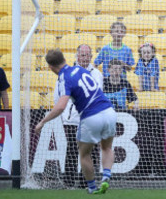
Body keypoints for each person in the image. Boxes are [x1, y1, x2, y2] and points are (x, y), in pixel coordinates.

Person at [35, 49, 116, 195]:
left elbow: (60, 106)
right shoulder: (79, 69)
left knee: (84, 153)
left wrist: (42, 122)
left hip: (91, 116)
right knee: (106, 148)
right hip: (109, 111)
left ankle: (91, 187)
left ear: (51, 67)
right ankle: (106, 176)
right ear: (64, 59)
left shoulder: (64, 78)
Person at [59, 44, 103, 188]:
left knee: (89, 151)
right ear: (77, 56)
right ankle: (69, 182)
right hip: (72, 120)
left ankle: (87, 182)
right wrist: (63, 114)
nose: (84, 57)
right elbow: (59, 95)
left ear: (91, 57)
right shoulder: (67, 73)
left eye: (87, 55)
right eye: (82, 55)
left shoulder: (97, 74)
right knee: (72, 150)